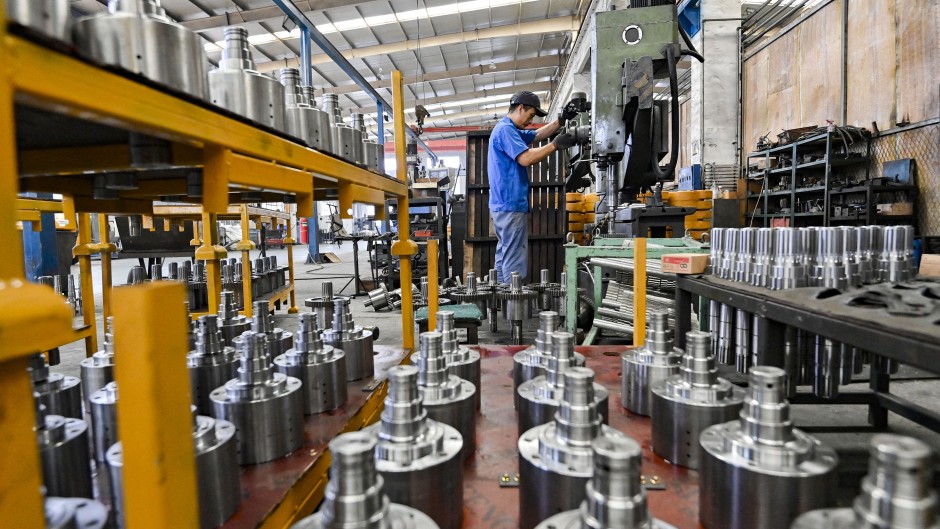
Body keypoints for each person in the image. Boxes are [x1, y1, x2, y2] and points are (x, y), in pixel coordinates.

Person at [488, 90, 580, 282]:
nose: (530, 121)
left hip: (502, 206)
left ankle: (500, 305)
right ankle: (512, 310)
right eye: (530, 115)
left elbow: (536, 135)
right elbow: (526, 158)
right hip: (510, 204)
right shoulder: (505, 130)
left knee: (504, 257)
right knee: (514, 265)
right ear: (521, 108)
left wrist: (560, 120)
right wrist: (555, 145)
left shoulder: (508, 129)